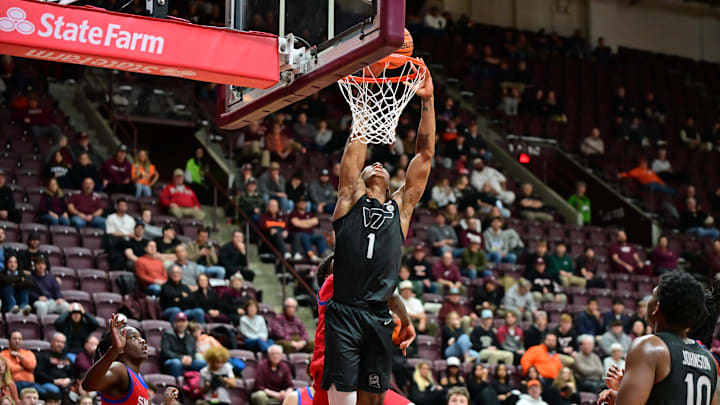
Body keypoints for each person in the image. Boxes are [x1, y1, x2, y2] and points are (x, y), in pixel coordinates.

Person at [319, 66, 433, 405]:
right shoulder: (347, 201)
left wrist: (427, 102)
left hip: (379, 315)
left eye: (383, 165)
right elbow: (355, 150)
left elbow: (425, 155)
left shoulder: (401, 209)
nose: (378, 165)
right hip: (345, 312)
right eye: (371, 165)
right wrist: (366, 100)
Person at [598, 272, 718, 405]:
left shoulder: (649, 346)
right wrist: (623, 392)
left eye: (652, 296)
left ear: (657, 306)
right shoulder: (710, 360)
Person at [310, 255, 416, 405]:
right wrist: (407, 322)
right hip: (330, 366)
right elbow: (391, 295)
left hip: (362, 364)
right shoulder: (332, 285)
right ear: (329, 276)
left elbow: (391, 295)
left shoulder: (363, 296)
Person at [82, 314, 178, 405]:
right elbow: (88, 385)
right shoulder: (119, 369)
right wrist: (114, 350)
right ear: (121, 347)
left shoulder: (139, 377)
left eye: (141, 337)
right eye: (134, 337)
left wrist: (165, 403)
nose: (142, 341)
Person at [161, 312, 207, 377]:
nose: (181, 324)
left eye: (183, 321)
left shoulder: (189, 336)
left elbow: (193, 352)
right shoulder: (168, 334)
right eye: (179, 321)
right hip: (172, 360)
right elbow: (166, 351)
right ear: (174, 323)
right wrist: (181, 358)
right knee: (176, 363)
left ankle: (199, 384)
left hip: (187, 361)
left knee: (204, 364)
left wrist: (190, 358)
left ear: (186, 323)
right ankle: (178, 384)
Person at [288, 196, 327, 261]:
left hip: (311, 235)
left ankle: (323, 254)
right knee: (303, 235)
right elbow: (296, 223)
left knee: (321, 237)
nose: (303, 204)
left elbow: (316, 221)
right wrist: (309, 223)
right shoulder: (293, 213)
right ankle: (311, 255)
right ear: (297, 203)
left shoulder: (310, 214)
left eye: (304, 202)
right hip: (299, 235)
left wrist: (301, 222)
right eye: (301, 202)